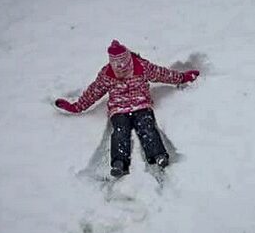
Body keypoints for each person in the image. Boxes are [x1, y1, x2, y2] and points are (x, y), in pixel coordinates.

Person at [54, 40, 199, 177]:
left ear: (129, 60)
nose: (121, 68)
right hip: (118, 109)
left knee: (147, 127)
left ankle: (158, 155)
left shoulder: (141, 66)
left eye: (124, 64)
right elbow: (94, 91)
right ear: (111, 64)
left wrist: (182, 78)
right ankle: (119, 162)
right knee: (119, 132)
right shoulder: (107, 74)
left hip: (141, 105)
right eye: (117, 66)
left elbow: (162, 74)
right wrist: (77, 107)